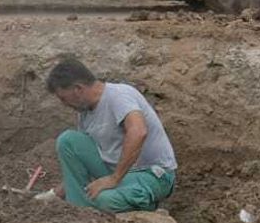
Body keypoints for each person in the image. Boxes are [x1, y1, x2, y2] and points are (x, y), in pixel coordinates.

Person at [46, 57, 178, 213]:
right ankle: (80, 211)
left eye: (63, 98)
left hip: (152, 174)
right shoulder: (84, 113)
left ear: (78, 89)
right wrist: (53, 195)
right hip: (120, 175)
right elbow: (78, 166)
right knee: (68, 140)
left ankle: (145, 208)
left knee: (104, 200)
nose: (64, 104)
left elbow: (138, 131)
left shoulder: (119, 95)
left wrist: (114, 179)